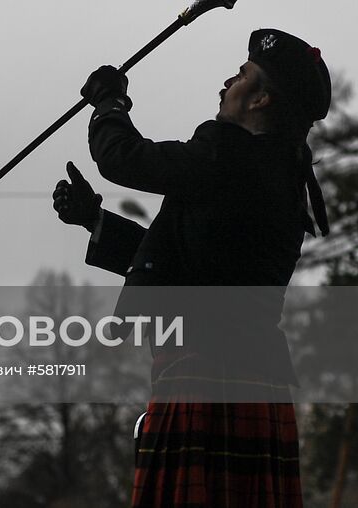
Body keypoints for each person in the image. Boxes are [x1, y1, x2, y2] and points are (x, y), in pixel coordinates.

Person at [52, 29, 331, 508]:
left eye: (242, 75)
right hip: (254, 385)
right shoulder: (282, 176)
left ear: (262, 98)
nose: (227, 82)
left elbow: (124, 159)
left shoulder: (227, 153)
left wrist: (110, 105)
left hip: (205, 378)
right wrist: (95, 222)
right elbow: (183, 262)